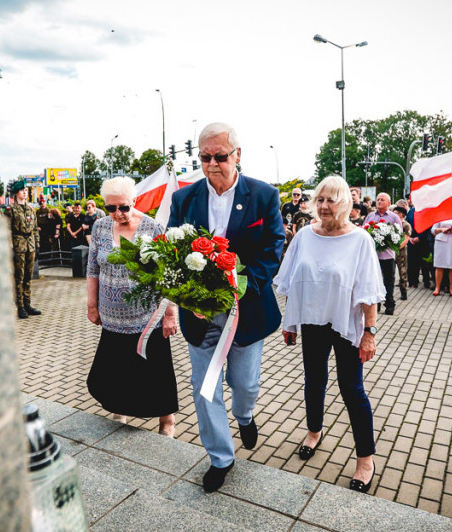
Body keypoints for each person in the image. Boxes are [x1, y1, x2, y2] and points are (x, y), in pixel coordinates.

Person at [168, 122, 286, 492]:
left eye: (220, 156)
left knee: (245, 383)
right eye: (205, 157)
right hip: (200, 313)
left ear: (237, 155)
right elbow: (173, 254)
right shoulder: (183, 199)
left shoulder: (264, 195)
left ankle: (245, 414)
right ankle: (221, 457)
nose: (212, 164)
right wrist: (189, 298)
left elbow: (273, 247)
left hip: (246, 310)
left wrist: (245, 287)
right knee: (205, 389)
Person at [274, 176, 384, 493]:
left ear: (345, 204)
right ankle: (314, 431)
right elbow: (295, 281)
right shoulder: (305, 236)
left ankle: (365, 459)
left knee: (352, 389)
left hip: (346, 324)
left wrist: (369, 333)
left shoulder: (360, 240)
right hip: (312, 321)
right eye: (320, 199)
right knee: (314, 379)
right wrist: (290, 322)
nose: (324, 206)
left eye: (331, 200)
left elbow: (368, 292)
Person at [86, 177, 179, 435]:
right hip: (112, 318)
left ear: (135, 202)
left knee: (156, 373)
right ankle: (119, 410)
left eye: (124, 208)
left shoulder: (153, 228)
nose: (118, 214)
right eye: (111, 208)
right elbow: (92, 268)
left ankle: (166, 421)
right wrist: (92, 305)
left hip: (147, 318)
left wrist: (171, 314)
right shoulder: (101, 227)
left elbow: (167, 274)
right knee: (117, 369)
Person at [5, 177, 42, 319]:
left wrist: (37, 246)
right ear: (16, 193)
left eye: (26, 190)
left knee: (28, 277)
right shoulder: (11, 210)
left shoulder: (31, 209)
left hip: (30, 245)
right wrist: (10, 249)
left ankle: (27, 304)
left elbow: (35, 230)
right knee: (18, 278)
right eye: (22, 190)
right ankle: (19, 306)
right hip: (18, 245)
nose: (25, 192)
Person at [363, 193, 401, 315]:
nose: (379, 201)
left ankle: (389, 304)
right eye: (378, 199)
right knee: (373, 280)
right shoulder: (370, 216)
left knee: (388, 281)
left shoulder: (394, 217)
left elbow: (398, 235)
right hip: (373, 256)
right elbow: (364, 232)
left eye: (382, 200)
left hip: (387, 255)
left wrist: (387, 239)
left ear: (389, 203)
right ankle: (376, 304)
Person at [406, 195, 433, 289]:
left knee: (424, 263)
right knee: (412, 263)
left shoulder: (426, 211)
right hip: (411, 240)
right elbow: (407, 224)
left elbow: (428, 226)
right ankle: (413, 282)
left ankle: (426, 282)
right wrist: (409, 237)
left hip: (423, 241)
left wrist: (420, 237)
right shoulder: (411, 211)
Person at [431, 218, 452, 296]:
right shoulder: (441, 215)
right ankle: (437, 288)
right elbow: (433, 230)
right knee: (439, 265)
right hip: (441, 241)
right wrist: (441, 229)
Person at [392, 204, 411, 300]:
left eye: (397, 213)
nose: (394, 215)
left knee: (402, 271)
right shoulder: (392, 224)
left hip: (401, 251)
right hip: (391, 251)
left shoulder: (406, 225)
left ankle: (403, 291)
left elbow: (406, 239)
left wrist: (396, 248)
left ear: (402, 214)